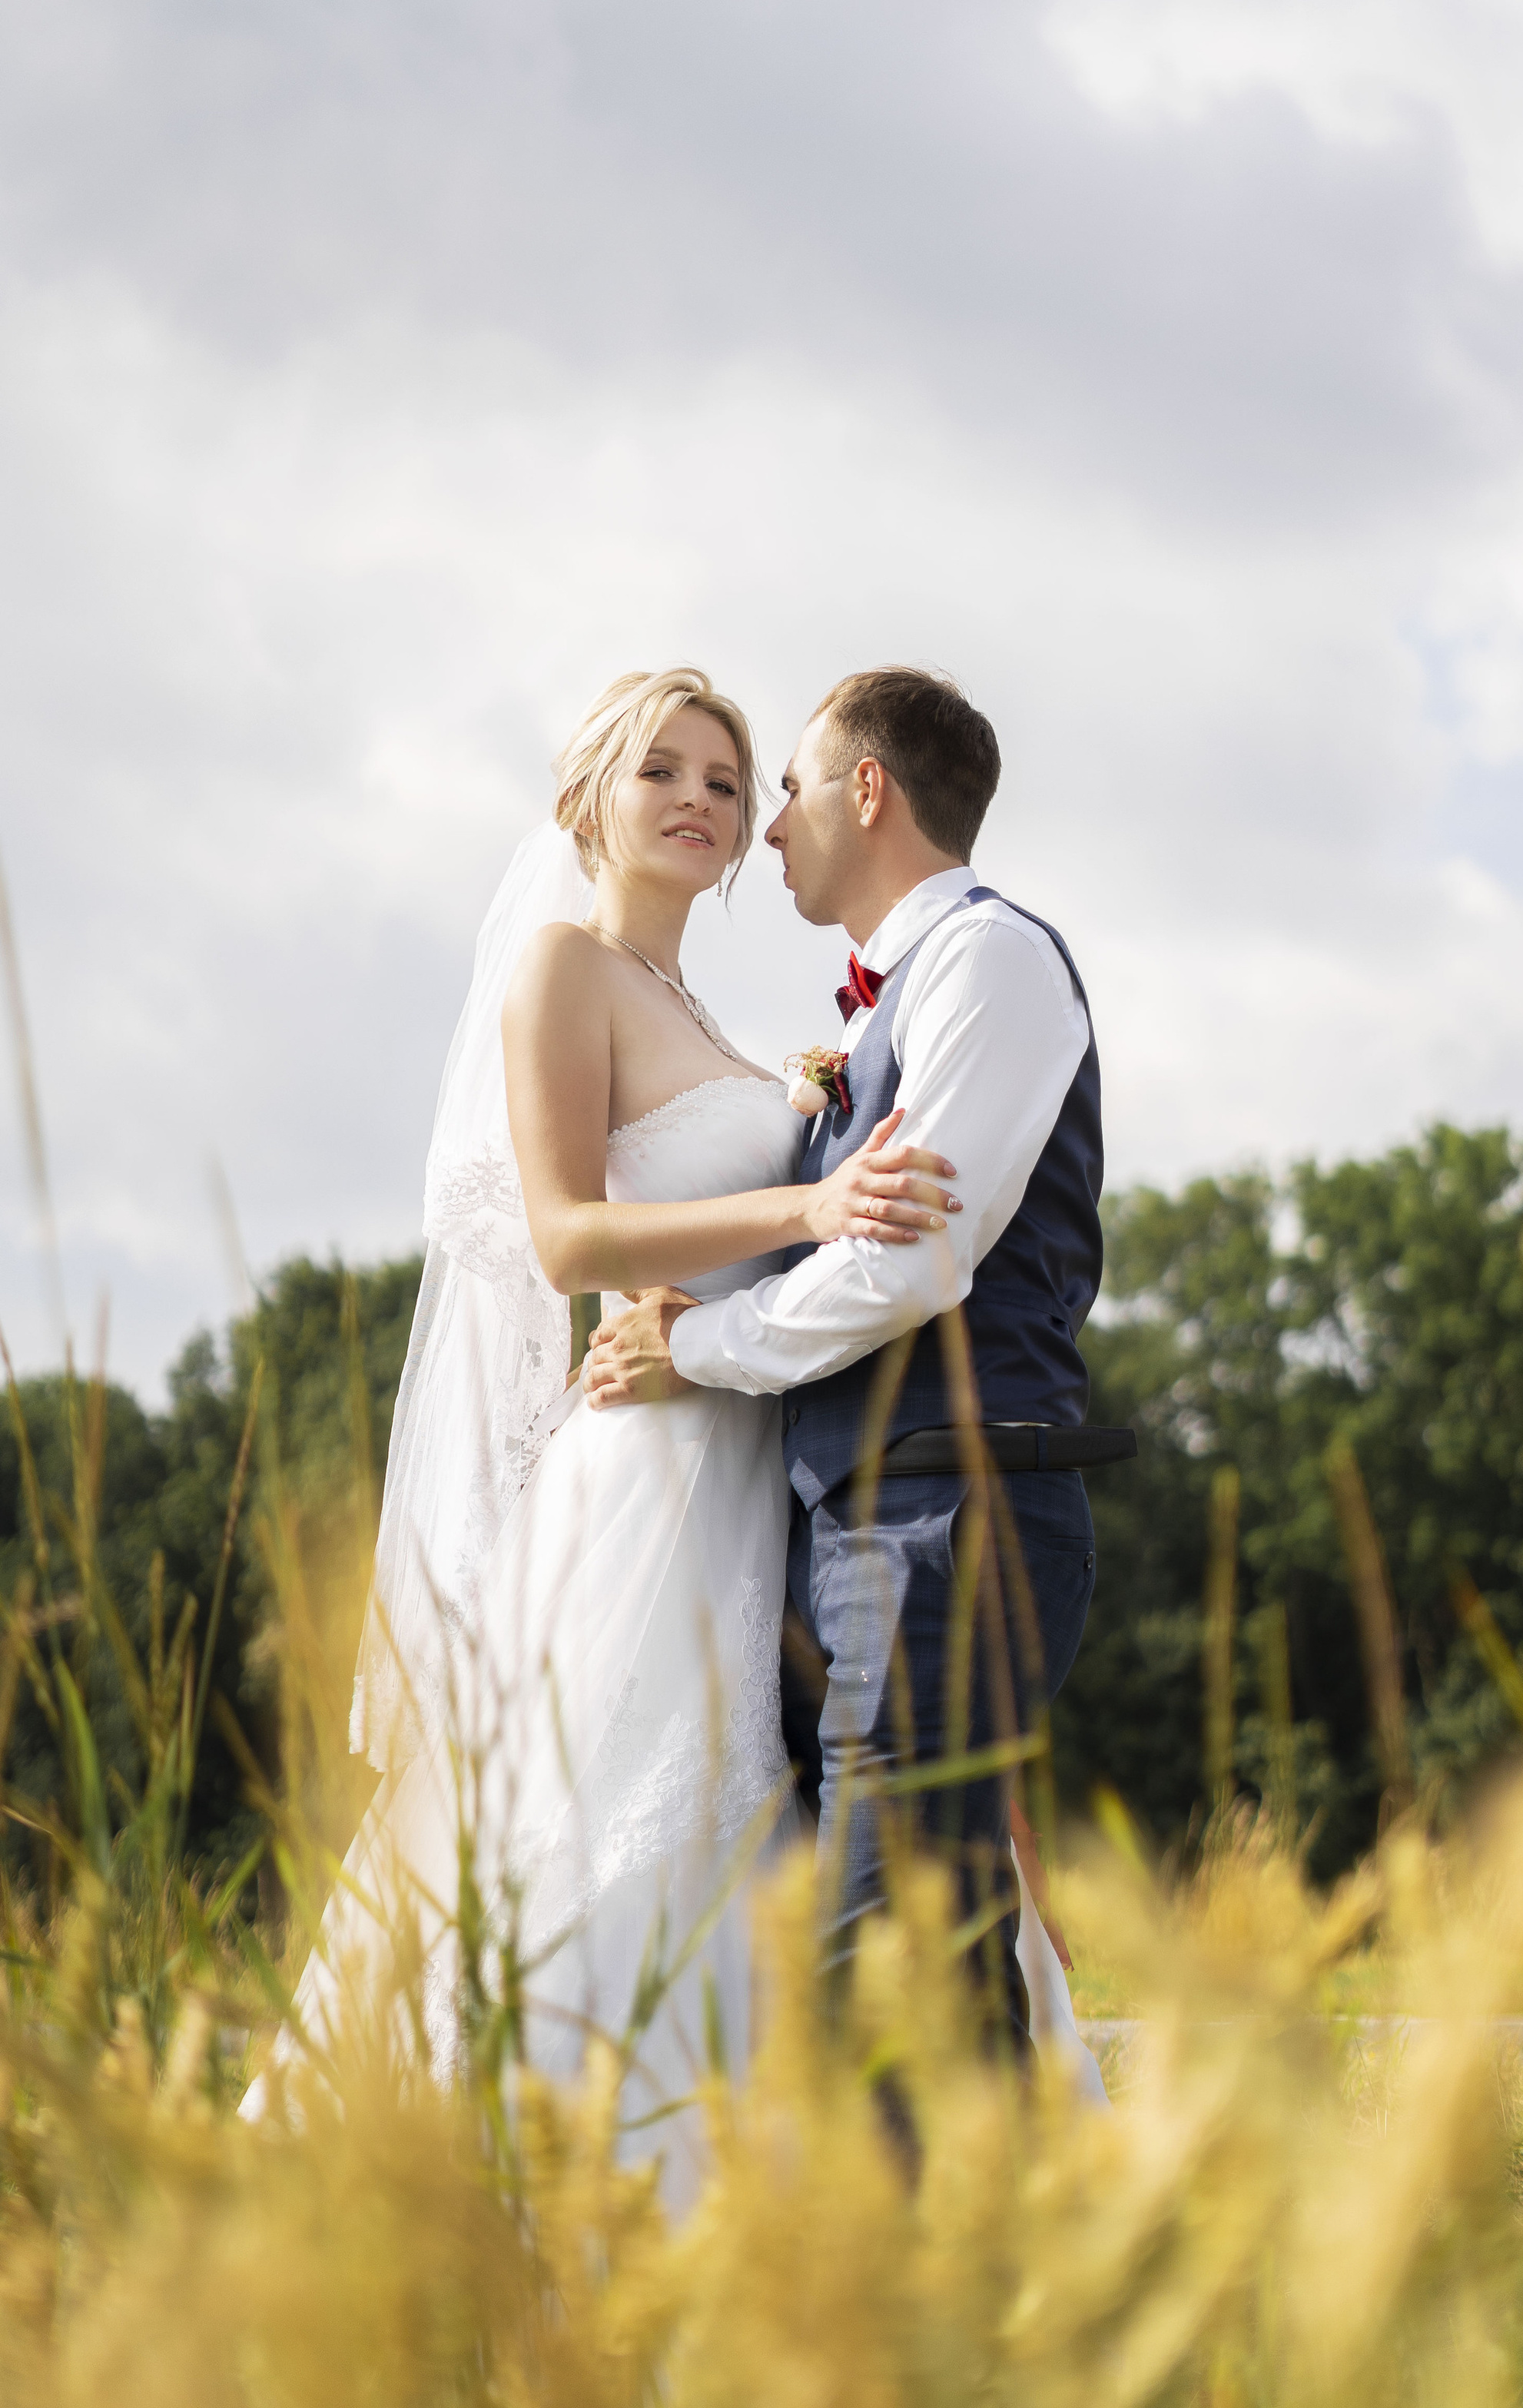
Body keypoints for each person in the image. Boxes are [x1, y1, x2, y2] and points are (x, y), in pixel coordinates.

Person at [246, 667, 960, 2196]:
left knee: (761, 1826)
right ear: (590, 803)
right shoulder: (560, 967)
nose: (702, 800)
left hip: (739, 1452)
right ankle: (517, 2198)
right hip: (637, 1476)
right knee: (591, 1832)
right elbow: (571, 1237)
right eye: (665, 773)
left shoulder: (701, 1009)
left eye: (727, 776)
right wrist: (812, 1200)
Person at [584, 668, 1127, 2070]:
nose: (767, 830)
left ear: (868, 791)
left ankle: (939, 2286)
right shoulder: (888, 1007)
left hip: (946, 1503)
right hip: (862, 1521)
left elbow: (910, 1264)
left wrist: (690, 1347)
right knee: (912, 1959)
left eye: (788, 789)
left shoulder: (990, 962)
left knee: (887, 1970)